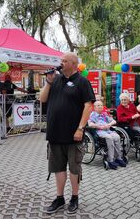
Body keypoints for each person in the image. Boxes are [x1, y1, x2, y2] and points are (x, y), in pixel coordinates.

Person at [40, 52, 95, 215]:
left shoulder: (82, 81)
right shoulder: (55, 80)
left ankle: (74, 197)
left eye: (64, 61)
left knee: (74, 168)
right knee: (58, 168)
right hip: (55, 133)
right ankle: (59, 198)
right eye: (61, 60)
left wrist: (80, 128)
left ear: (73, 63)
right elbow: (42, 99)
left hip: (73, 135)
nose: (61, 63)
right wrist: (48, 83)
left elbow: (88, 106)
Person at [88, 100, 126, 169]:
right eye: (98, 105)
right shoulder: (92, 115)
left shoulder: (104, 114)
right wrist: (99, 126)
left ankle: (118, 157)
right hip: (99, 131)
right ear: (95, 107)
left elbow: (114, 121)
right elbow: (90, 124)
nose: (100, 107)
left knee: (117, 136)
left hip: (108, 130)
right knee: (109, 138)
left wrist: (109, 124)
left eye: (101, 105)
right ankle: (110, 159)